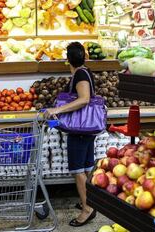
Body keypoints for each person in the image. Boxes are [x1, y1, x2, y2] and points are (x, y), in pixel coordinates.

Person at [44, 42, 97, 227]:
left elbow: (84, 99)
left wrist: (57, 110)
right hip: (87, 128)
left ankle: (87, 210)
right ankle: (90, 201)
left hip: (80, 129)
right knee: (87, 167)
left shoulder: (80, 74)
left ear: (68, 58)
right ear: (84, 56)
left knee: (77, 170)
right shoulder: (85, 71)